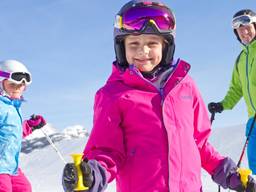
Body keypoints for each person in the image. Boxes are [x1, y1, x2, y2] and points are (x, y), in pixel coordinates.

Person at [62, 1, 256, 191]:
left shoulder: (186, 86)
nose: (143, 51)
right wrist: (91, 174)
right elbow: (106, 151)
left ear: (166, 46)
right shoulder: (113, 95)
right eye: (134, 43)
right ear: (121, 47)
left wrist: (229, 174)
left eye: (152, 43)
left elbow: (199, 145)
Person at [208, 9, 256, 175]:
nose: (244, 31)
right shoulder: (240, 60)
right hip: (253, 122)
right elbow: (236, 90)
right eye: (239, 29)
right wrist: (222, 105)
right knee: (255, 167)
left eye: (247, 26)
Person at [0, 59, 46, 192]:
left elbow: (11, 134)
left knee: (24, 188)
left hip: (11, 165)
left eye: (21, 86)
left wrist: (29, 126)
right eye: (13, 85)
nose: (18, 89)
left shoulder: (14, 107)